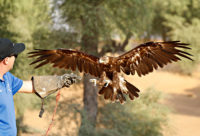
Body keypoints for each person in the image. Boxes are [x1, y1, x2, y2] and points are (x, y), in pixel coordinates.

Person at [0, 38, 35, 136]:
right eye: (15, 55)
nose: (15, 58)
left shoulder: (7, 77)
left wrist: (58, 82)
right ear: (6, 60)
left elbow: (29, 86)